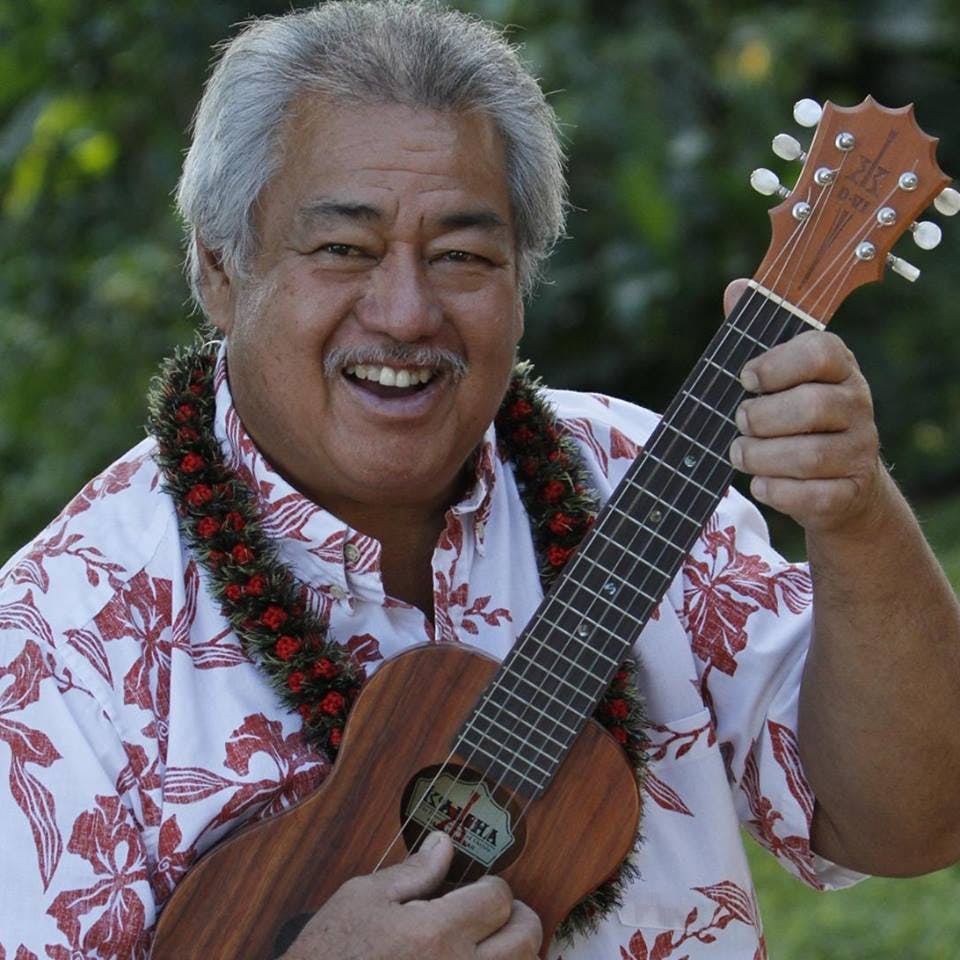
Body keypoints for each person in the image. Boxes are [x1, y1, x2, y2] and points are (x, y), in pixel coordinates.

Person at [1, 2, 958, 958]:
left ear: (523, 278)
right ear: (219, 268)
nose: (407, 312)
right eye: (344, 248)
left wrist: (857, 520)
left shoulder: (637, 477)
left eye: (463, 255)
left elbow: (911, 822)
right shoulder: (57, 642)